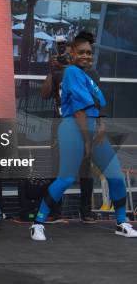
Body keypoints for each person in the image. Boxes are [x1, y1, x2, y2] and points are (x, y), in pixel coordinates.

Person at [30, 32, 137, 240]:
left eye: (89, 52)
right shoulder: (71, 72)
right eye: (81, 52)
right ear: (72, 53)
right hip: (73, 128)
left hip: (93, 129)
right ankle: (38, 223)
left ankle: (122, 222)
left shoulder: (87, 74)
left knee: (115, 176)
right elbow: (79, 110)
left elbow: (94, 105)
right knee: (67, 178)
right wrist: (88, 141)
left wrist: (101, 123)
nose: (86, 56)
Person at [40, 37, 97, 224]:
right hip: (61, 127)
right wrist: (52, 70)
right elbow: (45, 94)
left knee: (85, 171)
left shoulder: (90, 73)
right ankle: (54, 212)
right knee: (57, 170)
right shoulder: (58, 73)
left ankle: (86, 212)